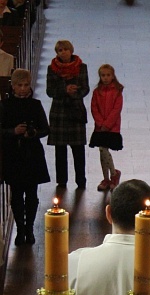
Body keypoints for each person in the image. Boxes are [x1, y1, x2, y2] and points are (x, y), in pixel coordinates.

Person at [0, 69, 50, 246]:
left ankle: (29, 227)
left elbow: (46, 128)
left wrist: (33, 133)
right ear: (13, 86)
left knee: (31, 194)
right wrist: (13, 131)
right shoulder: (5, 105)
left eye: (26, 85)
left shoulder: (35, 105)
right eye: (19, 85)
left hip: (31, 154)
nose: (22, 89)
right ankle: (20, 229)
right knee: (16, 195)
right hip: (13, 154)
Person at [46, 40, 90, 189]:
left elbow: (85, 88)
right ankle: (62, 180)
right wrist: (65, 90)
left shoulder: (81, 67)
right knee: (60, 150)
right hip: (59, 112)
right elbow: (50, 91)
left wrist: (75, 92)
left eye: (65, 49)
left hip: (75, 110)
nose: (63, 52)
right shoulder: (52, 69)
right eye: (59, 50)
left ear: (71, 51)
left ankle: (81, 179)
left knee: (78, 149)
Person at [89, 64, 123, 192]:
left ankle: (113, 174)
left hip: (112, 127)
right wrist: (100, 122)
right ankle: (107, 177)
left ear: (113, 75)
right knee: (102, 150)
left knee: (104, 150)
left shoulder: (117, 91)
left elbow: (116, 109)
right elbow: (94, 108)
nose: (106, 78)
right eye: (103, 75)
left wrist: (107, 124)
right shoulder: (97, 92)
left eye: (108, 75)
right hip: (99, 127)